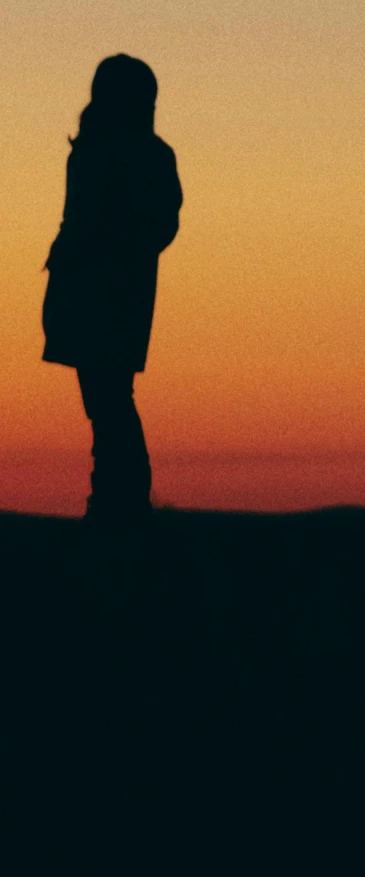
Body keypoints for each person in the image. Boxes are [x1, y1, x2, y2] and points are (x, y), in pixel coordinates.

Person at [42, 56, 183, 525]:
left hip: (109, 290)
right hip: (94, 288)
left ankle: (119, 504)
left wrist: (109, 251)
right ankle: (116, 502)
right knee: (106, 398)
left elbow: (158, 225)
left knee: (108, 399)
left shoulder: (129, 153)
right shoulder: (105, 151)